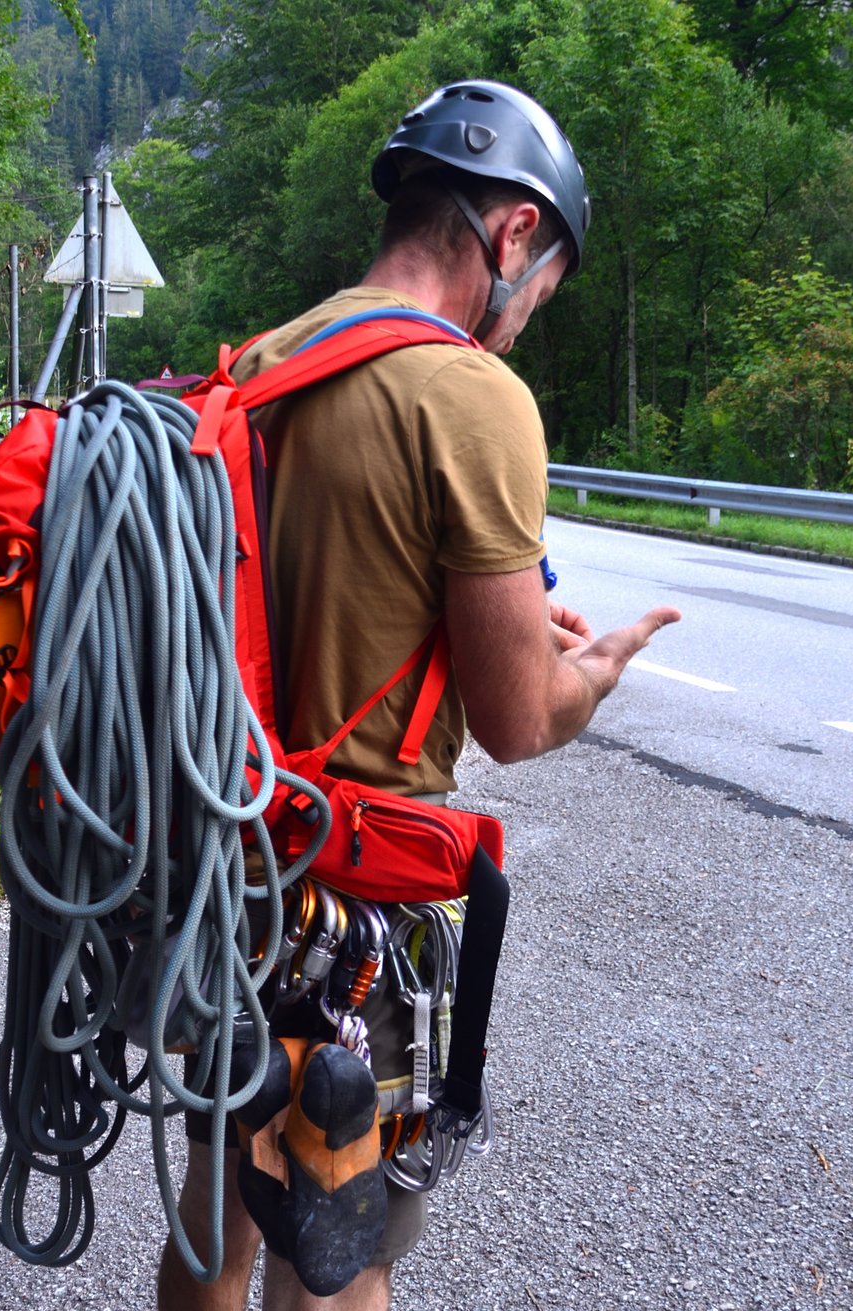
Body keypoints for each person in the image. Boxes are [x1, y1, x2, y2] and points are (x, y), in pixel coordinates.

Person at [157, 80, 681, 1311]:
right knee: (342, 1270)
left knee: (218, 1224)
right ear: (512, 236)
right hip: (344, 919)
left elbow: (313, 582)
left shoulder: (271, 357)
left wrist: (472, 625)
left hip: (223, 886)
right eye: (541, 288)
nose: (523, 325)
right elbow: (518, 715)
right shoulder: (470, 395)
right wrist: (590, 674)